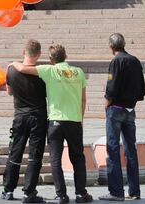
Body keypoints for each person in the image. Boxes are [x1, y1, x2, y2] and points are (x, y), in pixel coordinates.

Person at [12, 45, 93, 204]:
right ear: (66, 56)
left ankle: (61, 195)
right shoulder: (79, 72)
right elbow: (83, 99)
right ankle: (81, 193)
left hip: (55, 121)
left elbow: (22, 68)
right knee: (78, 158)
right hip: (74, 120)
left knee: (55, 159)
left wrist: (12, 63)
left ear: (51, 59)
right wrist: (81, 118)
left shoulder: (49, 70)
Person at [99, 33, 145, 202]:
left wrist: (107, 102)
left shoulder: (116, 61)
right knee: (130, 151)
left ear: (111, 47)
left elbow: (111, 87)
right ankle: (134, 191)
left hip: (116, 109)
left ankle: (116, 192)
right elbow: (142, 90)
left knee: (112, 149)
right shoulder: (135, 60)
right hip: (130, 109)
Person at [2, 39, 47, 203]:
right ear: (39, 54)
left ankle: (8, 189)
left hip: (20, 117)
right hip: (38, 117)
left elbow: (9, 92)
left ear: (24, 52)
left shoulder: (11, 70)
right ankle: (29, 192)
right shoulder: (42, 72)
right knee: (35, 155)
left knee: (15, 152)